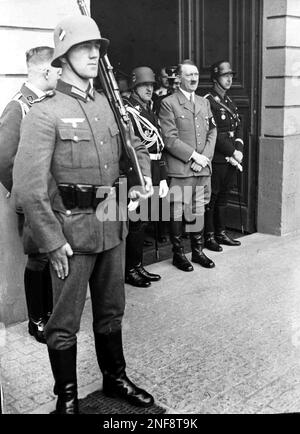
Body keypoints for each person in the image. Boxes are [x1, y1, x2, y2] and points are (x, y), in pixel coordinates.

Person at [12, 15, 154, 414]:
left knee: (112, 311)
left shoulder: (109, 107)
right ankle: (68, 397)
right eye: (83, 48)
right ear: (63, 58)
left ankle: (115, 377)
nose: (94, 53)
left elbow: (128, 152)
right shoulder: (44, 112)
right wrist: (51, 241)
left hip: (112, 226)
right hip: (70, 236)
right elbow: (28, 188)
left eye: (97, 48)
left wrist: (138, 184)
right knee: (64, 323)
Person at [0, 46, 61, 343]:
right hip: (35, 202)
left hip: (52, 199)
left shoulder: (49, 102)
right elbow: (2, 158)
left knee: (50, 257)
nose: (61, 74)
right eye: (57, 69)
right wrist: (26, 194)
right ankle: (37, 320)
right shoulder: (19, 106)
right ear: (45, 71)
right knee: (37, 260)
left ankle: (49, 315)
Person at [159, 60, 217, 272]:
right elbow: (169, 138)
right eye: (189, 75)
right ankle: (178, 254)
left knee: (198, 210)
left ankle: (198, 250)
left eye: (196, 75)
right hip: (181, 170)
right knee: (177, 213)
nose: (194, 79)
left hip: (202, 168)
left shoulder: (204, 102)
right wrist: (193, 157)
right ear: (179, 78)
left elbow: (212, 131)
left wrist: (204, 158)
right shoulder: (169, 103)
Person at [123, 66, 169, 287]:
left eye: (151, 85)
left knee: (144, 221)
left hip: (154, 168)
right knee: (136, 222)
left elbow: (158, 144)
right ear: (134, 86)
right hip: (139, 172)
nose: (149, 89)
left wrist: (162, 178)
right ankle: (129, 269)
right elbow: (131, 148)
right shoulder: (128, 110)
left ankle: (138, 265)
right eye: (144, 85)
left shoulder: (148, 108)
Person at [203, 61, 244, 251]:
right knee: (212, 197)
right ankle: (209, 236)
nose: (229, 79)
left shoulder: (229, 101)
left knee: (224, 197)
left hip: (231, 158)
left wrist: (239, 149)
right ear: (215, 78)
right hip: (218, 158)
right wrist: (232, 152)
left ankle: (221, 233)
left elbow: (237, 128)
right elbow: (213, 133)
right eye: (224, 75)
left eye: (231, 75)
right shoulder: (208, 101)